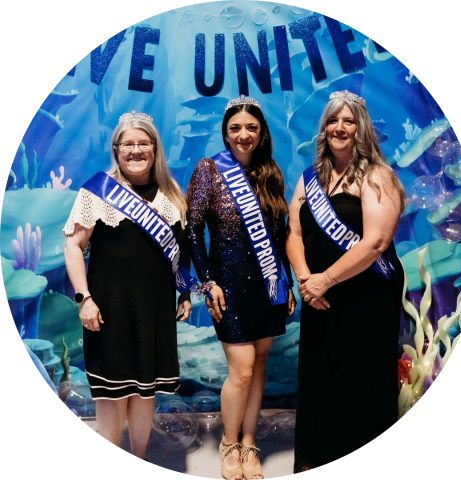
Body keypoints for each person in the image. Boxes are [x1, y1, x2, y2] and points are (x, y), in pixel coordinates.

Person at [286, 90, 406, 471]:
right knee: (321, 381)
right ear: (324, 129)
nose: (340, 127)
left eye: (348, 121)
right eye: (333, 120)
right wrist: (307, 281)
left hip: (366, 299)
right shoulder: (310, 179)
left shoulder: (377, 176)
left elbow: (376, 243)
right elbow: (294, 233)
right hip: (319, 299)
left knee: (360, 383)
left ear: (361, 128)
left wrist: (326, 280)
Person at [63, 111, 192, 459]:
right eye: (128, 144)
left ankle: (139, 460)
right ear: (116, 149)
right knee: (112, 392)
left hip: (154, 310)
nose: (136, 150)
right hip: (109, 309)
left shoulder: (172, 194)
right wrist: (83, 299)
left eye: (143, 143)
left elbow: (182, 250)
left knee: (145, 391)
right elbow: (72, 246)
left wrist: (185, 292)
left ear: (155, 148)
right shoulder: (97, 192)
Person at [186, 96, 296, 480]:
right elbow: (192, 231)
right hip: (228, 285)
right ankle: (228, 443)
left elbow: (279, 234)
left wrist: (289, 282)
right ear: (225, 132)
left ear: (261, 132)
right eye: (235, 128)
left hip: (268, 285)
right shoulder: (208, 170)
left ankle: (250, 441)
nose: (243, 134)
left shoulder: (270, 172)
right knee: (243, 368)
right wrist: (207, 282)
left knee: (261, 363)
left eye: (251, 127)